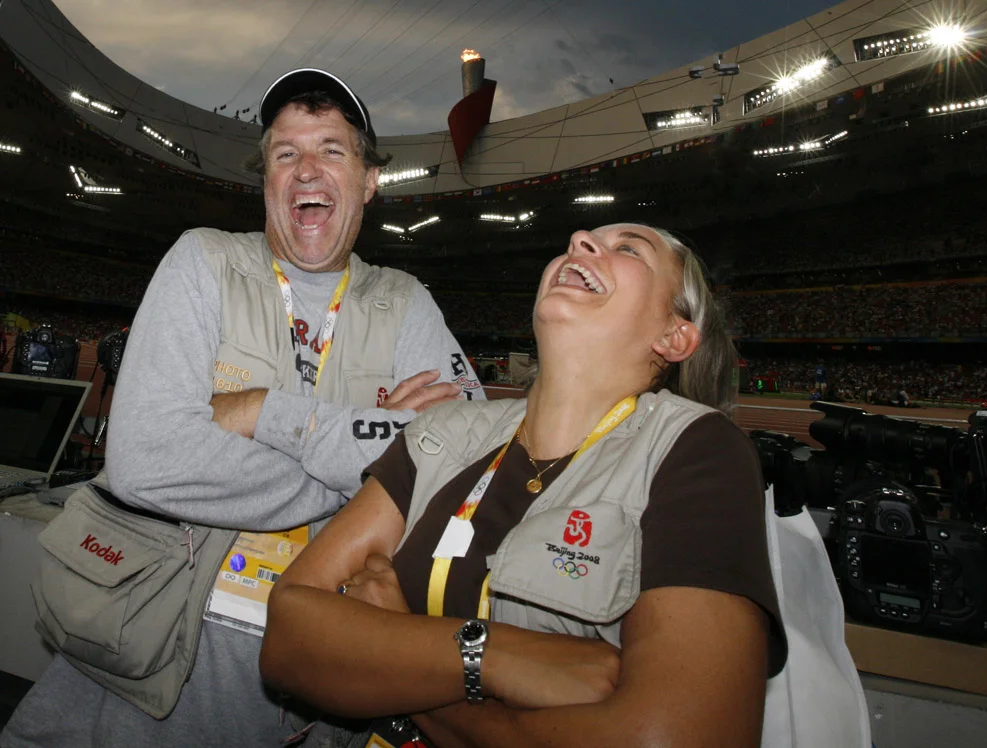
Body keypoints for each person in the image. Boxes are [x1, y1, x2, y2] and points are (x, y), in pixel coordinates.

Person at [2, 68, 482, 747]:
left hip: (324, 673)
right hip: (153, 653)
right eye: (286, 153)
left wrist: (257, 412)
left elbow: (465, 461)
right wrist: (360, 467)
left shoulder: (406, 303)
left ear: (370, 181)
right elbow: (144, 462)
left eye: (332, 150)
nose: (307, 169)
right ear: (266, 180)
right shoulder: (203, 263)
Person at [259, 223, 792, 746]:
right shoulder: (444, 433)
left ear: (674, 337)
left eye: (628, 248)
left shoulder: (695, 451)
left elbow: (672, 736)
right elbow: (289, 636)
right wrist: (492, 655)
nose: (579, 242)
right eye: (580, 241)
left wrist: (401, 653)